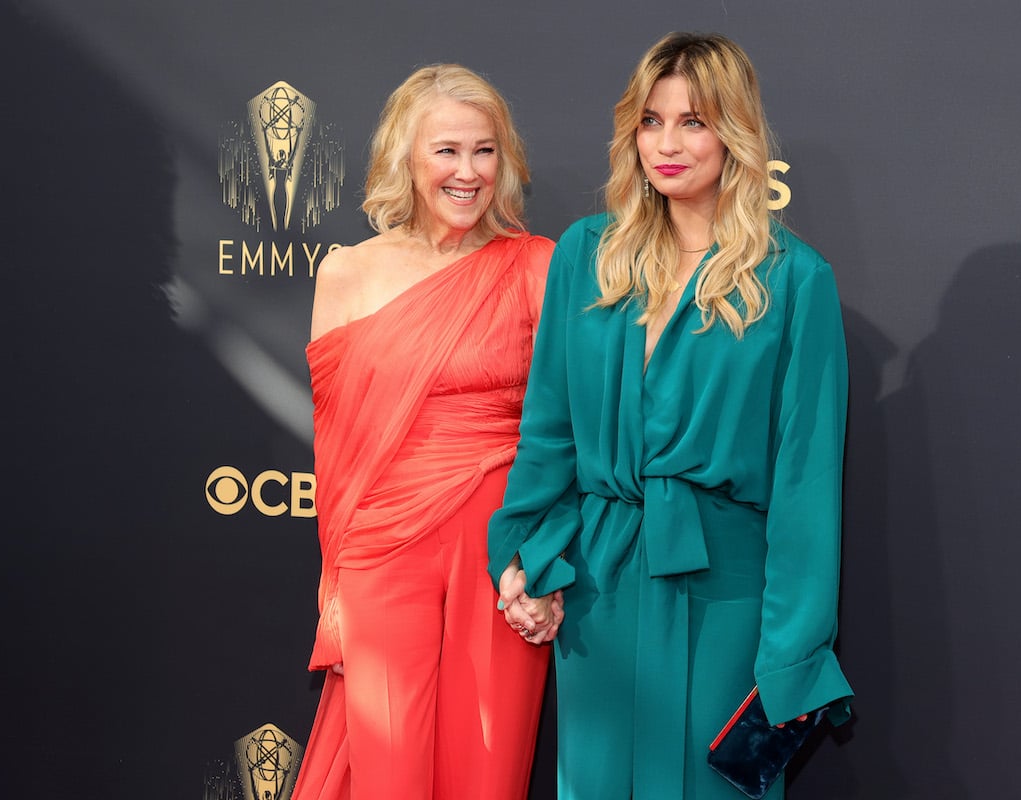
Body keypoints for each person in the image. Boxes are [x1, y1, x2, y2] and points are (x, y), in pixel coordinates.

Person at [489, 32, 853, 799]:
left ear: (734, 133)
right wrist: (526, 555)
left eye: (694, 122)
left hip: (728, 597)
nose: (667, 144)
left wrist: (789, 658)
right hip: (601, 586)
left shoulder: (794, 280)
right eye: (651, 121)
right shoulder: (587, 255)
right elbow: (549, 432)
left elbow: (806, 487)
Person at [292, 64, 561, 800]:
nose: (468, 172)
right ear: (404, 158)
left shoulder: (539, 267)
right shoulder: (346, 274)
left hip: (502, 552)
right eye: (446, 150)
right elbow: (337, 450)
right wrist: (335, 583)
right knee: (389, 770)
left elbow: (564, 433)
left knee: (488, 773)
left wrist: (544, 560)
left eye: (485, 151)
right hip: (381, 551)